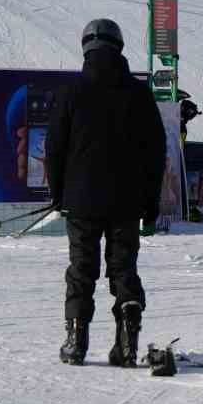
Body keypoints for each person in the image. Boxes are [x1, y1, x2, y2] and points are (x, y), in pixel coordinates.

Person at [47, 19, 166, 367]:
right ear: (120, 46)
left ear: (86, 46)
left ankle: (75, 343)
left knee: (81, 269)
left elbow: (54, 149)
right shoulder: (140, 93)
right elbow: (156, 152)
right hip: (127, 202)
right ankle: (128, 342)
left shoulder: (71, 92)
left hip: (81, 200)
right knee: (123, 269)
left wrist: (58, 195)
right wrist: (151, 201)